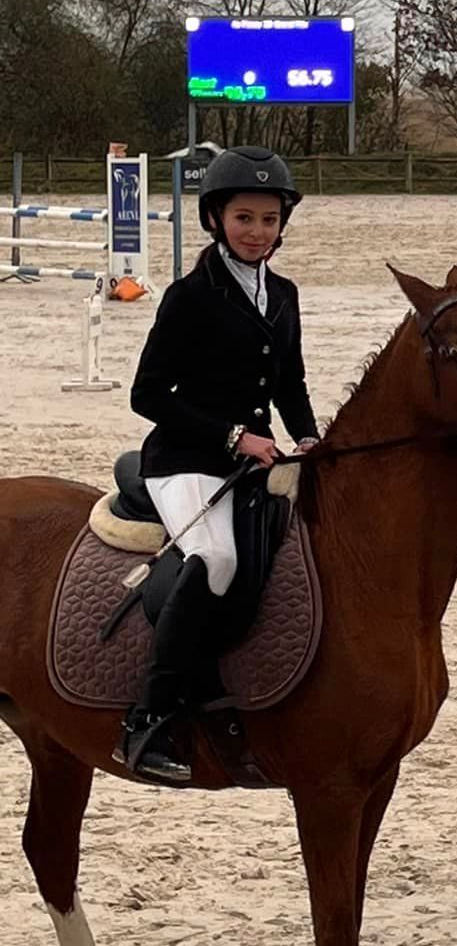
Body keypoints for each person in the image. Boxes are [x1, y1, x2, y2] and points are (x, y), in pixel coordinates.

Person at [115, 145, 320, 782]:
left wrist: (309, 437)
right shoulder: (187, 296)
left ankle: (234, 700)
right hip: (185, 460)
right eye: (243, 218)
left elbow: (290, 382)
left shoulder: (283, 293)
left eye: (267, 219)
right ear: (214, 220)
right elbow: (146, 395)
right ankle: (149, 720)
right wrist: (234, 437)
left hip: (255, 458)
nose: (257, 232)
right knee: (218, 560)